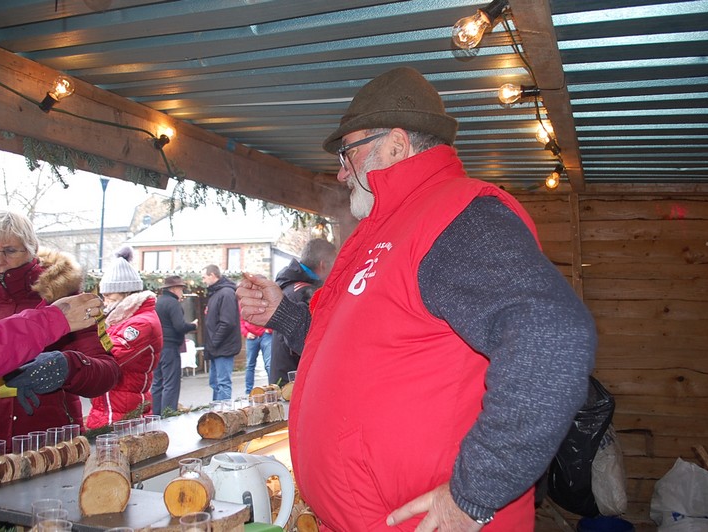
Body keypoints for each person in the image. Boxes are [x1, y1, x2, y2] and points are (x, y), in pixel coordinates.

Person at [237, 67, 596, 531]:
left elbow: (554, 338)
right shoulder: (383, 231)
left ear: (396, 145)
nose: (341, 171)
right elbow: (359, 350)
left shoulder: (457, 217)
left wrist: (474, 494)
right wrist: (284, 316)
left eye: (348, 152)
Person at [0, 209, 120, 469]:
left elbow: (108, 373)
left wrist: (67, 366)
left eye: (10, 251)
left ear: (31, 249)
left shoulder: (65, 302)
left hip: (51, 449)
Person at [0, 292, 103, 400]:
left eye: (11, 252)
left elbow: (106, 371)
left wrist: (69, 365)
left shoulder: (65, 298)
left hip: (50, 432)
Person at [85, 247, 163, 429]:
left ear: (125, 293)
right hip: (109, 408)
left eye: (109, 296)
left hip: (123, 412)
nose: (105, 302)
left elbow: (109, 357)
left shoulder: (141, 323)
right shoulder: (119, 319)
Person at [268, 238, 336, 386]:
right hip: (295, 379)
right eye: (335, 265)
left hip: (283, 374)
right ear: (323, 265)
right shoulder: (307, 293)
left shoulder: (288, 286)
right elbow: (311, 342)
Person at [152, 275, 196, 415]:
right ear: (175, 288)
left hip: (157, 347)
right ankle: (168, 416)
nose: (182, 292)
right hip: (170, 347)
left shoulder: (157, 302)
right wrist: (193, 325)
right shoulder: (173, 303)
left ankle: (156, 415)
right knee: (171, 384)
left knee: (157, 383)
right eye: (181, 289)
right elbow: (179, 326)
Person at [202, 265, 240, 401]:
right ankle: (217, 410)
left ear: (212, 275)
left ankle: (224, 412)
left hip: (223, 346)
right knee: (215, 383)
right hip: (216, 347)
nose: (203, 281)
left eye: (204, 277)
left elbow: (228, 322)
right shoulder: (216, 293)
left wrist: (214, 341)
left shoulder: (226, 293)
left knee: (223, 383)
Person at [240, 317, 271, 395]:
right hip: (251, 335)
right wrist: (246, 333)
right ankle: (248, 392)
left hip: (266, 334)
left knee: (269, 364)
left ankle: (272, 390)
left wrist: (270, 329)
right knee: (250, 365)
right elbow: (240, 320)